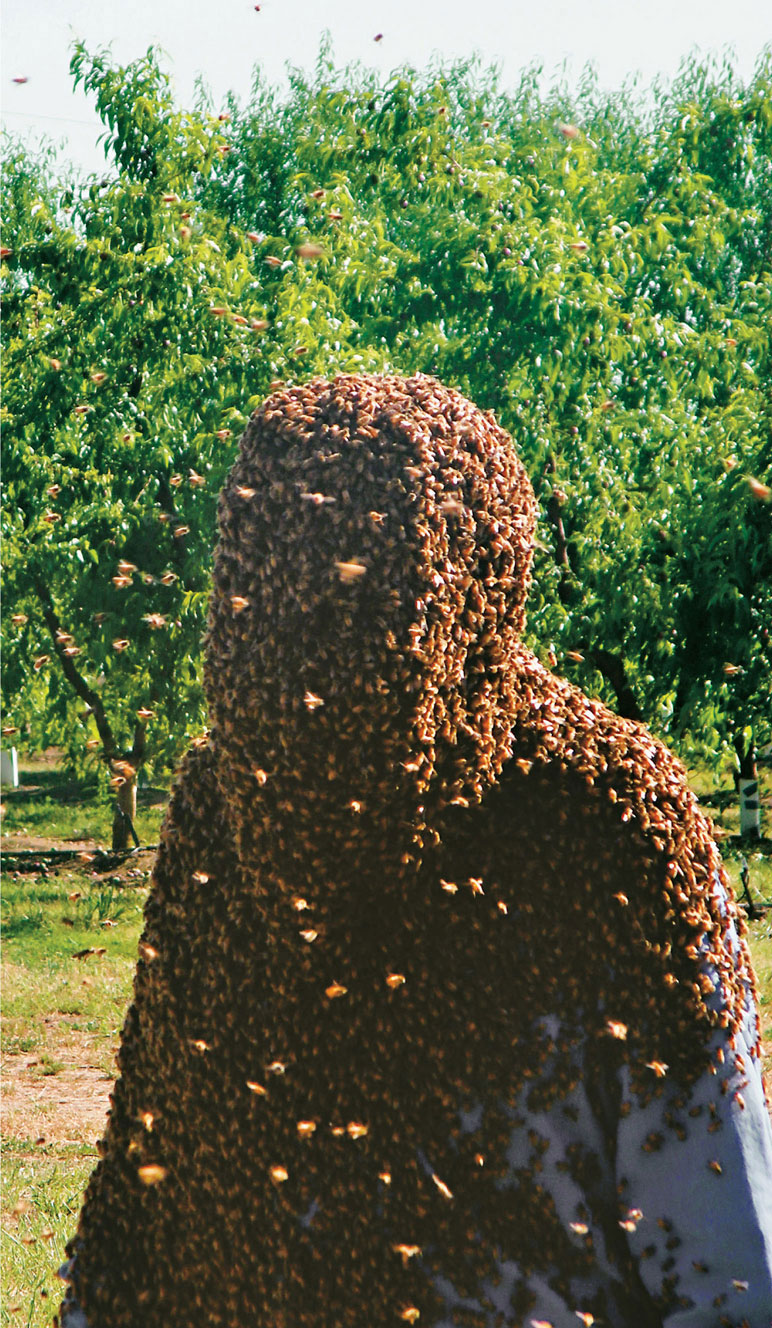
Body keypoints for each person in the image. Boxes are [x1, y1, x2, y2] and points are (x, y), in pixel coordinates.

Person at [60, 373, 772, 1328]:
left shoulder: (612, 831)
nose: (307, 655)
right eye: (275, 585)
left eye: (358, 595)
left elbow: (733, 1278)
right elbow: (140, 1217)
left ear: (467, 597)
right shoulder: (218, 805)